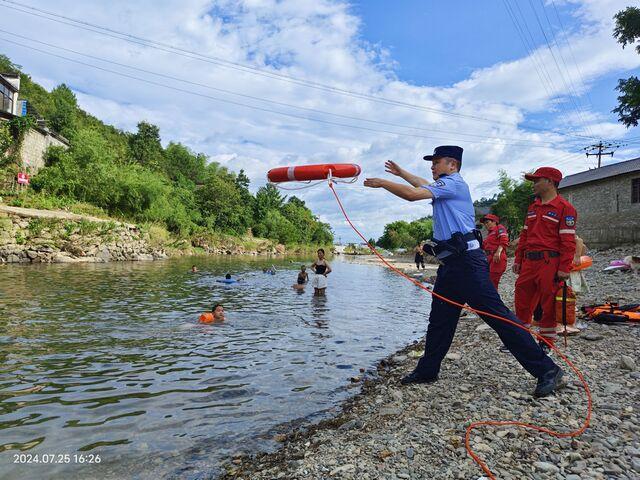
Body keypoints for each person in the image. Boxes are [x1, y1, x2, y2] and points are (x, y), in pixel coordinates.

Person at [363, 145, 562, 397]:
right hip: (451, 265)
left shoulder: (454, 183)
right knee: (440, 320)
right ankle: (428, 369)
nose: (432, 166)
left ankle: (547, 370)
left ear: (452, 165)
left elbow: (414, 194)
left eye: (436, 162)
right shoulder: (444, 187)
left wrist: (383, 183)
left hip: (469, 264)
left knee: (498, 317)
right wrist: (401, 173)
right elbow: (421, 183)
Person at [513, 167, 577, 353]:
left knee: (548, 302)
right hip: (529, 262)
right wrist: (518, 259)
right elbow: (524, 236)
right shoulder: (533, 207)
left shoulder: (565, 208)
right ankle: (522, 338)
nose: (534, 185)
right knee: (522, 297)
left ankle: (546, 342)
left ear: (549, 182)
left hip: (550, 263)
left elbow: (568, 241)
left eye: (537, 180)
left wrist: (564, 267)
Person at [481, 214, 509, 289]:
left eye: (487, 222)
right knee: (488, 281)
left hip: (497, 257)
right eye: (484, 223)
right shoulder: (489, 234)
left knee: (492, 282)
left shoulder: (499, 228)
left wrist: (498, 252)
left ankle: (493, 300)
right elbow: (483, 246)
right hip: (489, 258)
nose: (486, 225)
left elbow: (504, 239)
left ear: (494, 222)